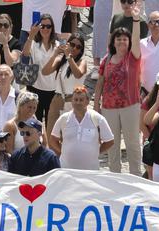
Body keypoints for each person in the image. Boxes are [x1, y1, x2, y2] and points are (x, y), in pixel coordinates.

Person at [95, 17, 142, 176]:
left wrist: (136, 20)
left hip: (130, 106)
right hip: (109, 108)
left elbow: (136, 40)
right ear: (113, 42)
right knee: (111, 145)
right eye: (118, 39)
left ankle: (136, 176)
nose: (122, 42)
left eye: (125, 39)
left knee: (132, 143)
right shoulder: (106, 59)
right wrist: (96, 105)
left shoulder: (133, 58)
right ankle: (115, 176)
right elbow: (100, 83)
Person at [48, 85, 114, 170]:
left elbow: (110, 141)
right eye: (75, 100)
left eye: (81, 100)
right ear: (72, 101)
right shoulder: (64, 119)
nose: (78, 102)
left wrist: (96, 152)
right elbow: (53, 140)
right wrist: (63, 152)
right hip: (67, 169)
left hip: (91, 170)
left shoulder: (97, 119)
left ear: (87, 101)